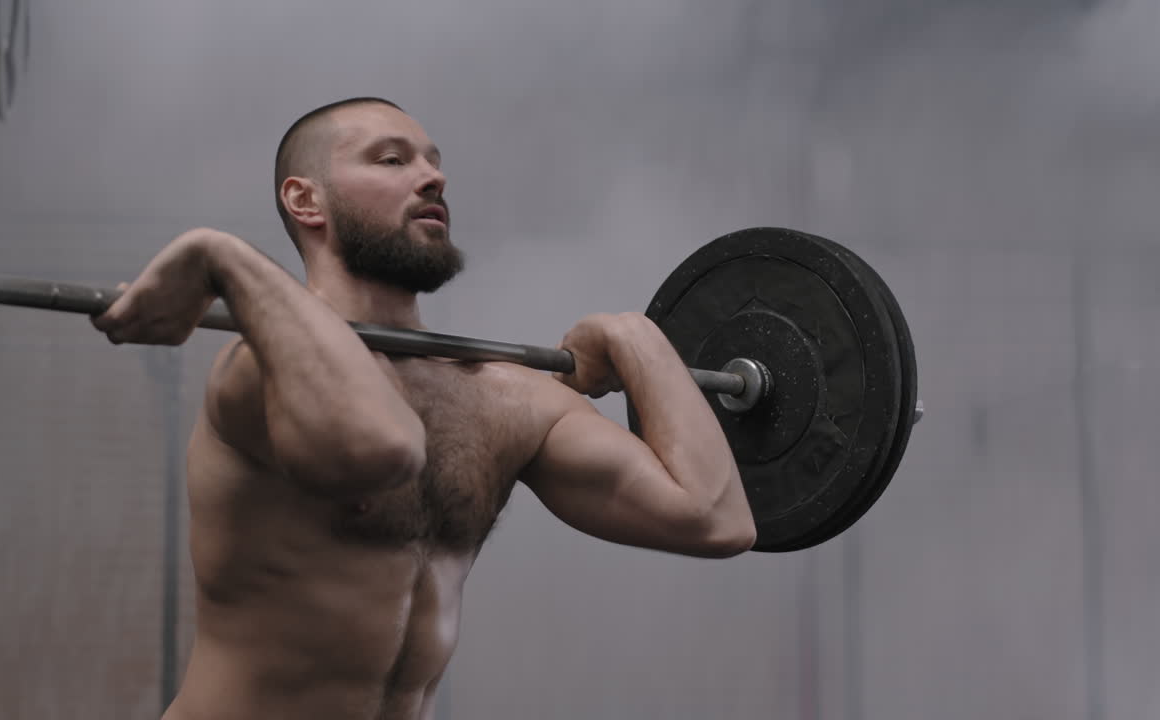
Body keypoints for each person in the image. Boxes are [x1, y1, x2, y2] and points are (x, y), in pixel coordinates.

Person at [91, 97, 755, 720]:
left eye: (433, 161)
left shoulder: (500, 396)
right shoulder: (258, 369)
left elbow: (714, 518)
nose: (432, 177)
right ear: (304, 199)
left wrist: (634, 339)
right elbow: (379, 448)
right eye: (392, 159)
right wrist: (225, 258)